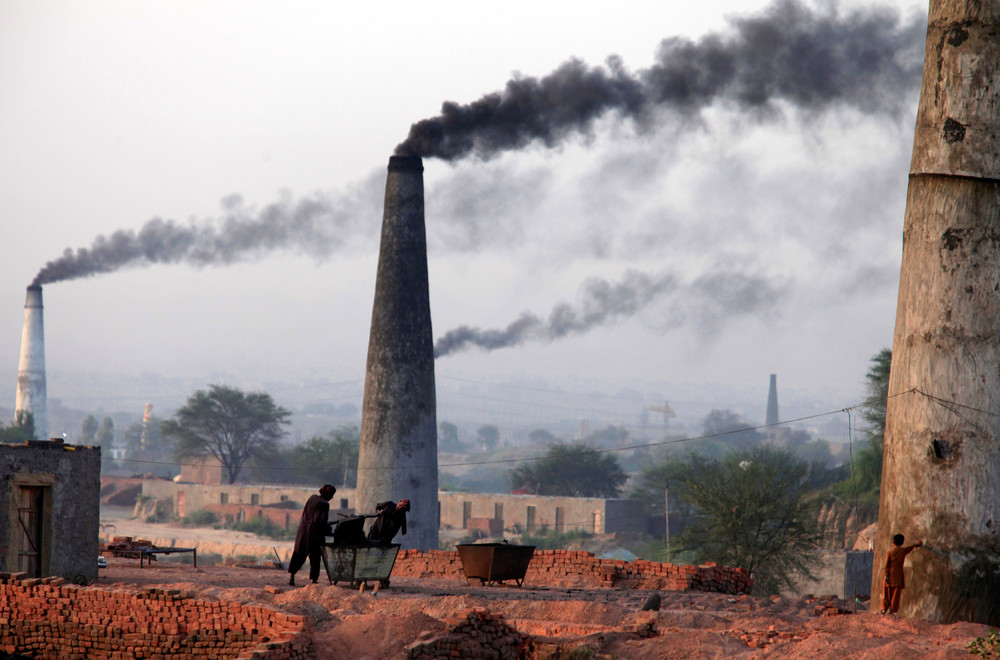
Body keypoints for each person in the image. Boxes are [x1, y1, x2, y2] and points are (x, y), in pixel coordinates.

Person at [288, 484, 336, 586]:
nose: (332, 498)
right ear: (329, 495)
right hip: (314, 535)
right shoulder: (325, 504)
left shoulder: (312, 498)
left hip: (303, 531)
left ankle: (292, 576)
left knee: (299, 554)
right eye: (332, 495)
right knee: (315, 557)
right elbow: (322, 523)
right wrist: (329, 530)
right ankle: (314, 579)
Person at [881, 533, 923, 614]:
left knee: (886, 592)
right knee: (896, 594)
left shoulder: (889, 552)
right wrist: (917, 544)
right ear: (902, 543)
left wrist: (886, 575)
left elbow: (886, 565)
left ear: (893, 542)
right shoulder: (903, 551)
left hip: (889, 574)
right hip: (898, 575)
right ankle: (892, 610)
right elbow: (910, 548)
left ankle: (884, 609)